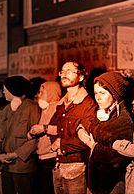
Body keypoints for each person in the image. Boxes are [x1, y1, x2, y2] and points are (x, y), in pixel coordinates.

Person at [31, 61, 97, 194]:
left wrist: (62, 143)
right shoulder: (62, 105)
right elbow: (54, 127)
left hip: (77, 167)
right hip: (59, 165)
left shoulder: (88, 104)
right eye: (62, 71)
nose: (64, 74)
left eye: (69, 71)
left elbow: (87, 139)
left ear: (81, 76)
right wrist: (55, 140)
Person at [77, 71, 134, 194]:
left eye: (102, 93)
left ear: (115, 93)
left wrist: (93, 146)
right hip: (95, 181)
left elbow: (119, 156)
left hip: (112, 183)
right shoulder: (99, 113)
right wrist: (80, 129)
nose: (98, 97)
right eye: (96, 93)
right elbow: (84, 125)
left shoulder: (124, 119)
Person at [0, 75, 41, 194]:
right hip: (5, 166)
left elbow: (36, 139)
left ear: (13, 90)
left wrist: (15, 154)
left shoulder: (32, 108)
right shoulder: (6, 109)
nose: (3, 91)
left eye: (6, 88)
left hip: (23, 168)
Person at [28, 81, 63, 194]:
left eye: (42, 92)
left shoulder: (57, 108)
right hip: (42, 157)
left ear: (52, 93)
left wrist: (43, 128)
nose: (39, 95)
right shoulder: (44, 110)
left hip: (51, 157)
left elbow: (59, 129)